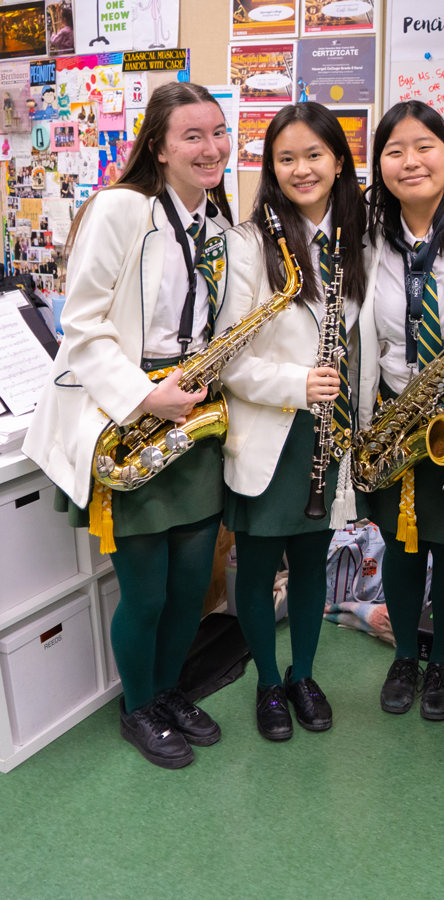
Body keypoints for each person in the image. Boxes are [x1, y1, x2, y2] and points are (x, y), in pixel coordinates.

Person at [23, 83, 234, 769]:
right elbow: (79, 329)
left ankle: (169, 691)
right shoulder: (118, 209)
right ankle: (136, 706)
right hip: (133, 415)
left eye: (219, 132)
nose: (211, 148)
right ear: (159, 146)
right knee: (145, 591)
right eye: (193, 136)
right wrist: (146, 398)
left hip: (190, 415)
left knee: (190, 581)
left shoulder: (216, 222)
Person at [215, 103, 367, 741]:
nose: (302, 169)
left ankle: (304, 674)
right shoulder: (248, 245)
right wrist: (295, 384)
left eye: (314, 155)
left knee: (310, 562)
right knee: (255, 567)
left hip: (328, 433)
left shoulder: (360, 239)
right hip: (270, 428)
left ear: (338, 162)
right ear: (271, 170)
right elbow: (226, 356)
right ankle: (268, 683)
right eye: (286, 159)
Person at [358, 100, 444, 722]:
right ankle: (404, 654)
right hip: (392, 417)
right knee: (400, 545)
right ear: (379, 165)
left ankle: (441, 664)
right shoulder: (367, 242)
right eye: (394, 150)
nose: (411, 161)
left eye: (424, 145)